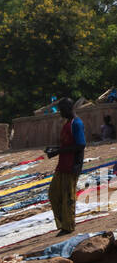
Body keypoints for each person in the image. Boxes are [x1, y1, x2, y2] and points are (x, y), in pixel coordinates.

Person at [47, 98, 86, 234]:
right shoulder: (68, 124)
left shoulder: (76, 124)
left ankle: (68, 226)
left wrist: (59, 151)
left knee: (68, 196)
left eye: (61, 110)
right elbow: (68, 144)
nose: (60, 113)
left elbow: (80, 145)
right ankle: (64, 223)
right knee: (54, 194)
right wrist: (55, 150)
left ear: (68, 109)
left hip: (71, 165)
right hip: (62, 165)